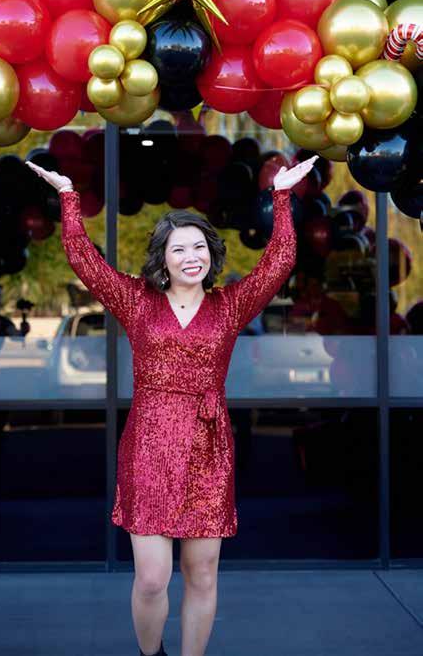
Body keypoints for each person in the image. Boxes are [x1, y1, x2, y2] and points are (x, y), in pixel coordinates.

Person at [26, 154, 317, 656]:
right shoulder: (137, 301)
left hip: (208, 446)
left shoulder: (231, 305)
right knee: (152, 579)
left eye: (199, 246)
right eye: (178, 248)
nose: (190, 256)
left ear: (211, 254)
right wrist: (69, 197)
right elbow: (84, 261)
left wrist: (282, 196)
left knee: (201, 573)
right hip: (150, 445)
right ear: (162, 259)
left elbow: (280, 261)